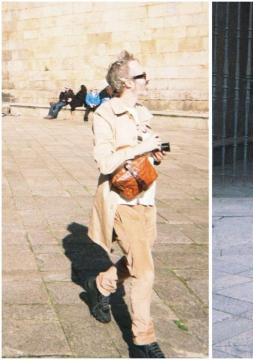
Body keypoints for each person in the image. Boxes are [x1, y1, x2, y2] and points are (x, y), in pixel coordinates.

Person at [86, 50, 166, 358]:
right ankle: (143, 341)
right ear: (125, 82)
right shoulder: (105, 115)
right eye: (142, 75)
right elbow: (105, 162)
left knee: (138, 259)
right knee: (144, 272)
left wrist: (154, 151)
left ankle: (102, 285)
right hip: (121, 200)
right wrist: (139, 148)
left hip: (145, 196)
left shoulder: (142, 113)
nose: (147, 80)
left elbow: (143, 150)